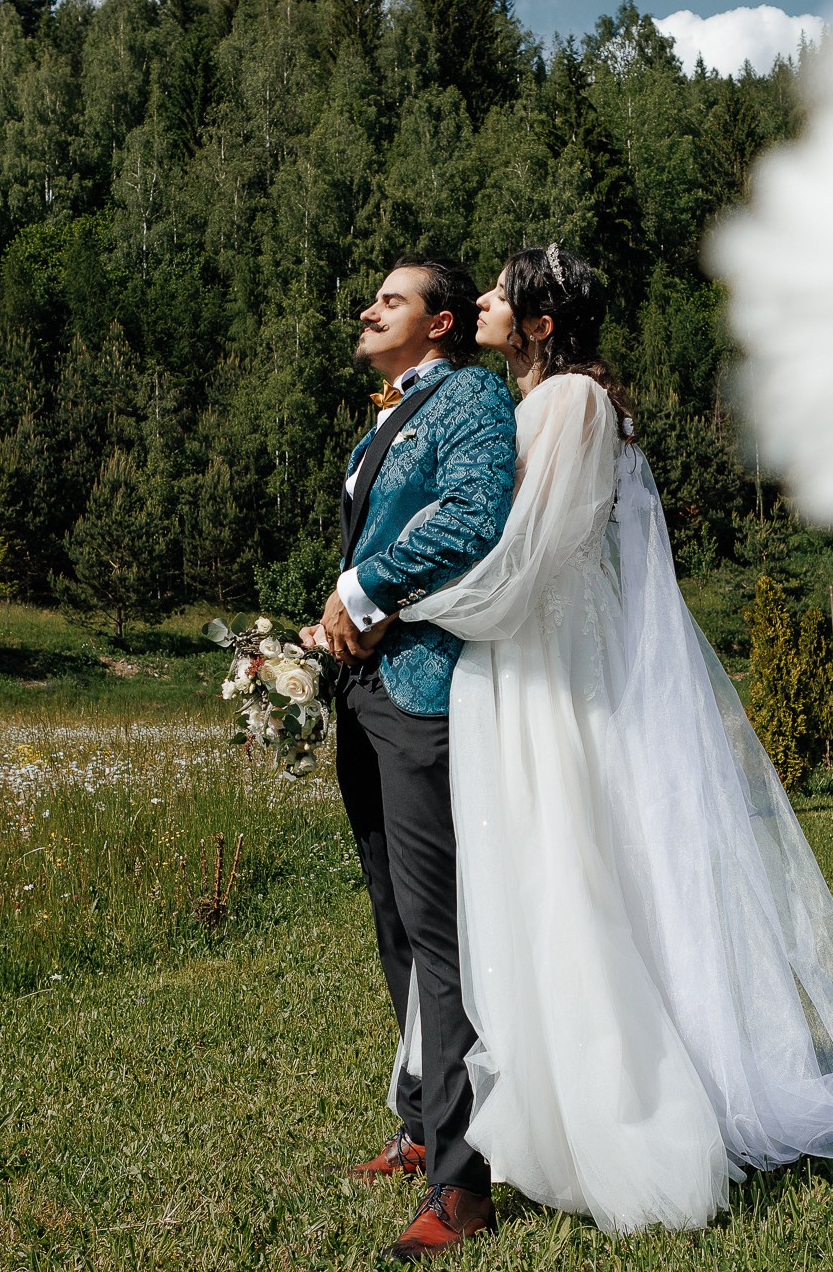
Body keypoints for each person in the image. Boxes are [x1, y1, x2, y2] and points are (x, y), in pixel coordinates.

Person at [364, 243, 833, 1237]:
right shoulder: (537, 402)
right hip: (522, 661)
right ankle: (524, 1112)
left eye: (501, 294)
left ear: (540, 324)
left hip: (552, 667)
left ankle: (622, 1117)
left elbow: (526, 560)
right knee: (530, 878)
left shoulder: (570, 403)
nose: (482, 300)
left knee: (570, 874)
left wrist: (400, 603)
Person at [302, 256, 517, 1262]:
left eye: (390, 299)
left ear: (440, 323)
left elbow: (475, 516)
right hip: (365, 689)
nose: (368, 308)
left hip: (421, 687)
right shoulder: (388, 413)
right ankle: (421, 1122)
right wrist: (330, 625)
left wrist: (363, 590)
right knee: (392, 918)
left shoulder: (469, 395)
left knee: (437, 932)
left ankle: (462, 1183)